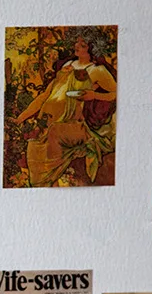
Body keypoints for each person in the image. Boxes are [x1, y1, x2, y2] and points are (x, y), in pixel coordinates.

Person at [14, 35, 116, 186]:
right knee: (34, 147)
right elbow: (44, 96)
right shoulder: (67, 65)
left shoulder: (97, 70)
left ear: (92, 49)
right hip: (48, 122)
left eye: (82, 45)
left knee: (54, 133)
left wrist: (94, 95)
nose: (77, 46)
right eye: (77, 43)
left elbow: (116, 93)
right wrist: (20, 119)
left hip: (71, 124)